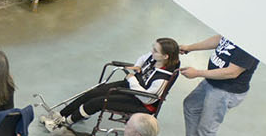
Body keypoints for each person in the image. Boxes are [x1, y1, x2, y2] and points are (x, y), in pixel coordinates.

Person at [51, 39, 181, 128]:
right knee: (94, 92)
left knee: (97, 102)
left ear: (165, 57)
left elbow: (148, 99)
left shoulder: (162, 79)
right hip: (131, 85)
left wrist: (132, 80)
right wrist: (137, 66)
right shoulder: (155, 57)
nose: (152, 52)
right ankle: (62, 114)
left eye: (155, 51)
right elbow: (143, 57)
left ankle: (66, 122)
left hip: (140, 102)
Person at [174, 35, 258, 136]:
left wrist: (198, 73)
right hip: (212, 81)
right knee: (191, 106)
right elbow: (220, 39)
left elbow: (232, 72)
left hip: (226, 90)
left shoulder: (251, 42)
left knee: (207, 125)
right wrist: (190, 47)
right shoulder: (238, 28)